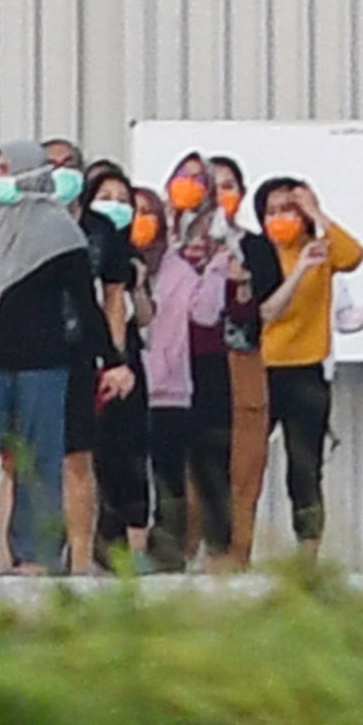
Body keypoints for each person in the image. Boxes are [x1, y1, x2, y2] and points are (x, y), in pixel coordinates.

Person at [0, 145, 124, 574]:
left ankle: (36, 553)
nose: (1, 177)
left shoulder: (62, 233)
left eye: (7, 169)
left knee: (41, 460)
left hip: (45, 362)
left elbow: (84, 302)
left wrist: (112, 357)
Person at [253, 176, 363, 560]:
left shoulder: (320, 251)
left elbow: (354, 255)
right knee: (246, 463)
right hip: (261, 369)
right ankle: (235, 547)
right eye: (272, 211)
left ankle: (308, 553)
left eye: (289, 209)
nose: (280, 218)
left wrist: (318, 213)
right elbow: (265, 311)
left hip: (306, 370)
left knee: (304, 468)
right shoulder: (258, 253)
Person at [138, 184, 227, 568]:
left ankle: (167, 551)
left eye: (147, 212)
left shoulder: (178, 268)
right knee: (121, 473)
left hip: (169, 389)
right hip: (119, 383)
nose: (140, 221)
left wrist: (218, 268)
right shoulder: (110, 262)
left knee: (169, 474)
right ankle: (114, 550)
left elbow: (205, 314)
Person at [200, 154, 276, 564]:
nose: (219, 195)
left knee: (244, 461)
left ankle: (236, 553)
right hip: (194, 363)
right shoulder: (184, 249)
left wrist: (244, 282)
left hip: (244, 362)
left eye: (228, 186)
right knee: (200, 461)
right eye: (210, 186)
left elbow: (270, 306)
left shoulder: (257, 247)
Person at [78, 163, 153, 567]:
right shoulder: (79, 248)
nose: (116, 206)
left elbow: (145, 316)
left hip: (126, 361)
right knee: (92, 454)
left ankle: (136, 546)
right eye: (106, 197)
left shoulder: (131, 255)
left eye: (124, 200)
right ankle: (90, 543)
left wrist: (137, 285)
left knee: (131, 452)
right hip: (88, 358)